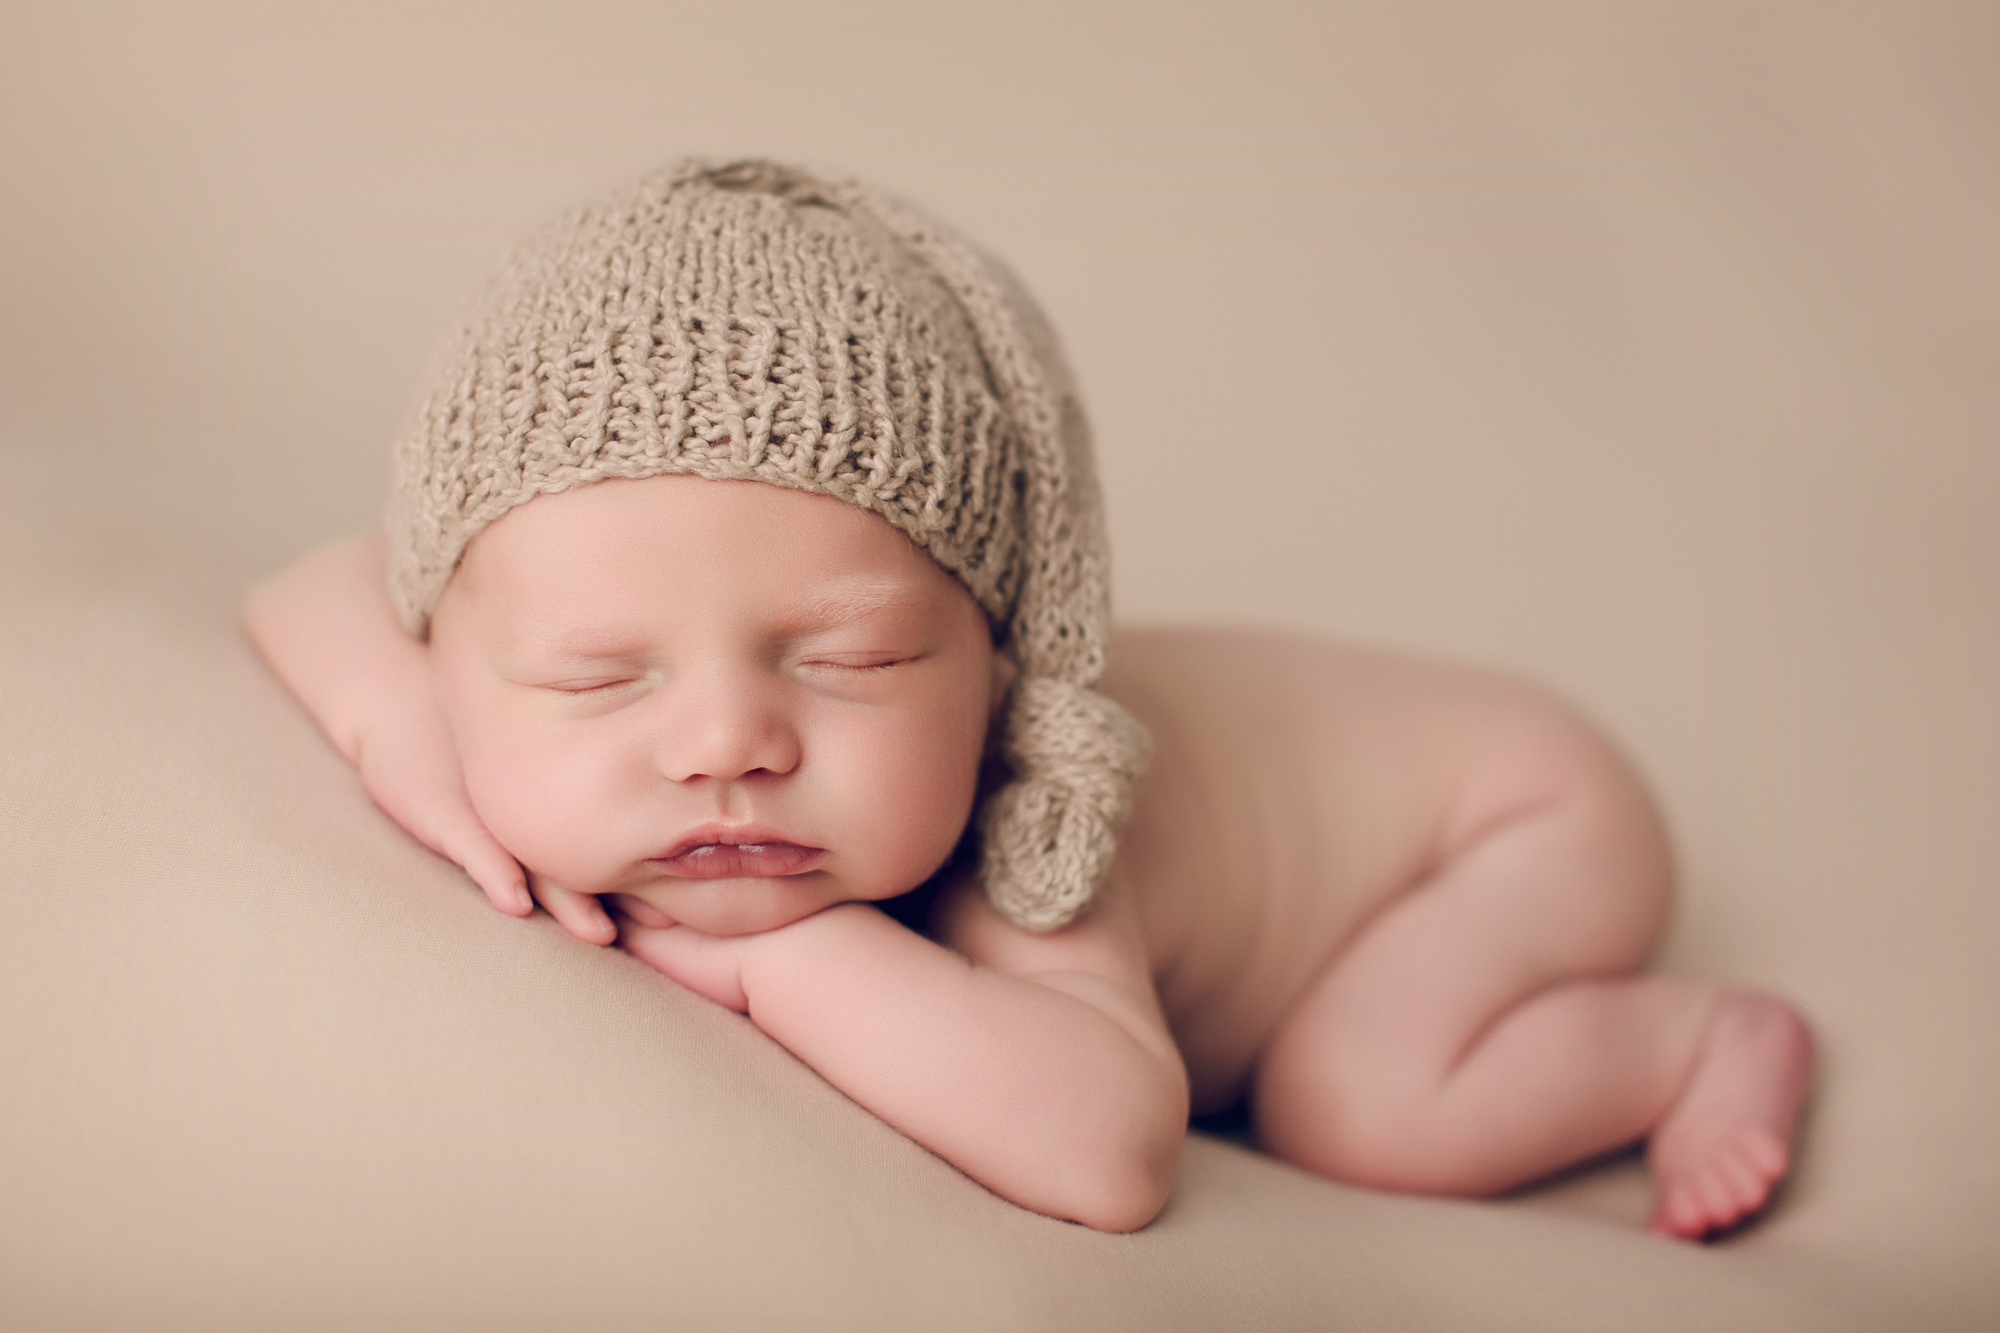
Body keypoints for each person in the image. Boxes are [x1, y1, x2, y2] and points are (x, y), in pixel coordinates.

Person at [244, 158, 1813, 1238]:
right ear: (450, 639)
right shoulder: (455, 632)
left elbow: (1110, 1145)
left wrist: (788, 969)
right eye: (596, 674)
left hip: (1502, 816)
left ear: (995, 654)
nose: (729, 741)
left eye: (854, 660)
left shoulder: (1033, 817)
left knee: (1366, 1100)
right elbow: (308, 586)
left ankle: (1693, 1045)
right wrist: (403, 733)